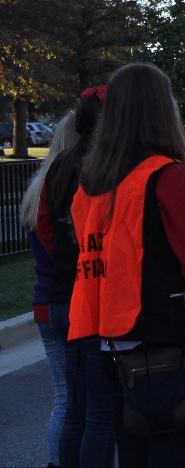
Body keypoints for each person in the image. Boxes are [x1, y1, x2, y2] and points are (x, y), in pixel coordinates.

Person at [68, 64, 185, 468]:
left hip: (110, 344)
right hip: (168, 346)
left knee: (133, 456)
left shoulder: (91, 186)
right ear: (163, 110)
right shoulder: (168, 176)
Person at [37, 87, 116, 468]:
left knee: (76, 411)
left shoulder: (60, 165)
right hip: (89, 296)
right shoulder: (105, 166)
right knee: (102, 416)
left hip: (60, 293)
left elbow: (45, 229)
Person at [22, 113, 77, 468]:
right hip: (70, 301)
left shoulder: (36, 189)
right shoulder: (69, 189)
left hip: (43, 302)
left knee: (64, 397)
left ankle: (57, 461)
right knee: (85, 401)